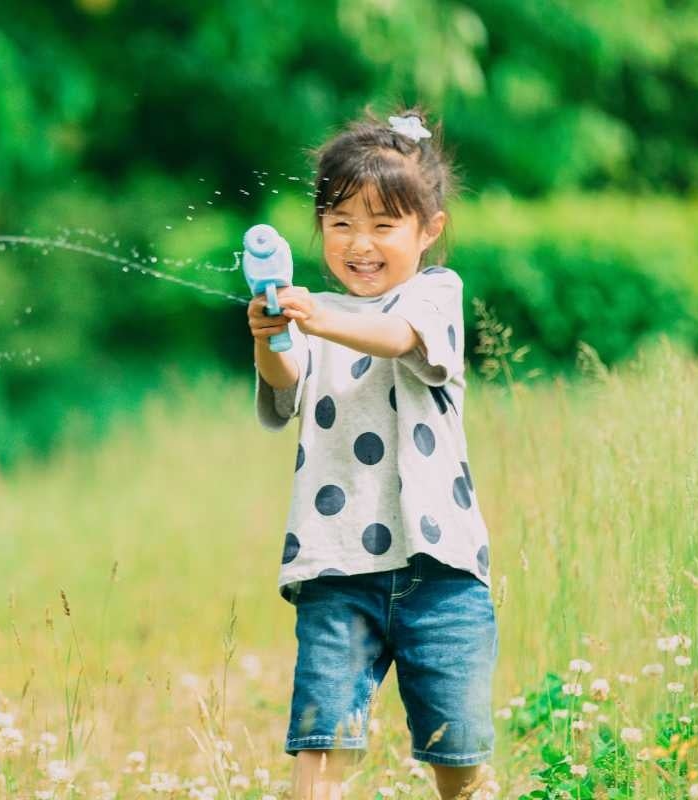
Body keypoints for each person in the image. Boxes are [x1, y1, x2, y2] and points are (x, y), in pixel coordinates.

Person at [248, 110, 497, 800]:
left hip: (440, 572)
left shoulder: (434, 295)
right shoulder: (312, 311)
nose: (361, 244)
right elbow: (285, 383)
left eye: (383, 226)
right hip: (335, 563)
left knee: (460, 752)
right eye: (341, 223)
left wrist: (318, 318)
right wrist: (270, 336)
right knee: (321, 739)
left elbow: (395, 337)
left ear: (428, 231)